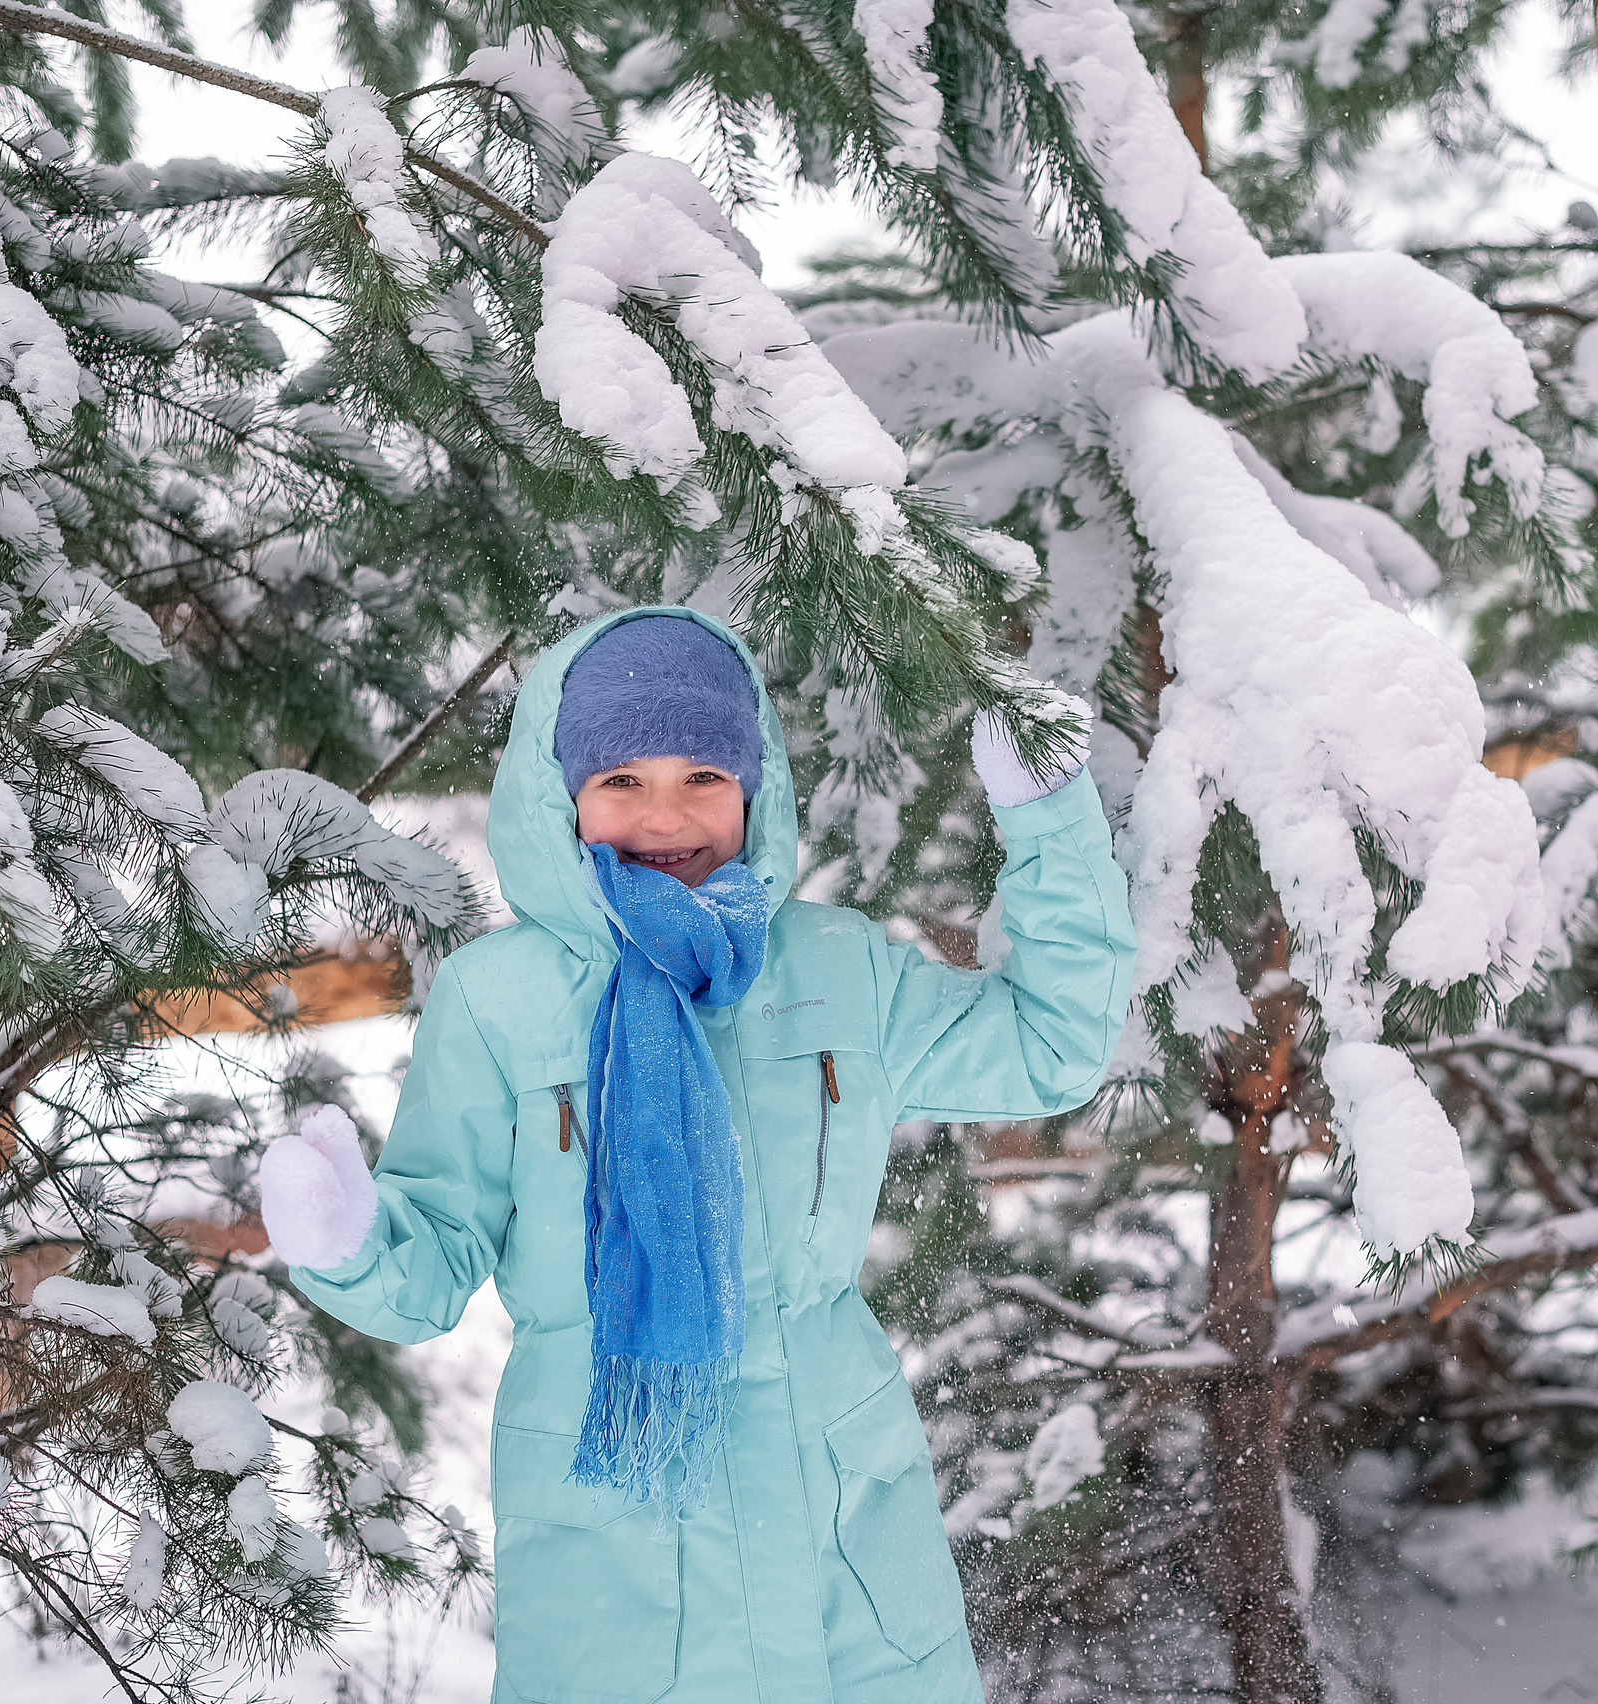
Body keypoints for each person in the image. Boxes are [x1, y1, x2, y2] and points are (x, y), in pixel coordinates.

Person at [259, 607, 1137, 1704]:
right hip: (615, 1543)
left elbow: (1051, 1045)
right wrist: (347, 1241)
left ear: (755, 786)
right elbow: (433, 1255)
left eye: (704, 776)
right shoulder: (501, 999)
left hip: (840, 1518)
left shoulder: (836, 968)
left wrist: (1048, 819)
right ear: (560, 793)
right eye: (621, 778)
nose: (664, 816)